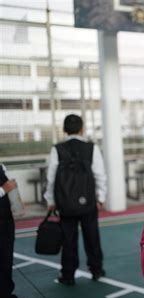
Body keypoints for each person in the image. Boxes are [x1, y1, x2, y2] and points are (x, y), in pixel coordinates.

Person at [44, 114, 107, 285]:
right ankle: (96, 270)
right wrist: (100, 196)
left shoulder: (57, 149)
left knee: (68, 238)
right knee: (92, 236)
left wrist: (50, 200)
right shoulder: (91, 148)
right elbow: (99, 174)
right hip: (88, 201)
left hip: (65, 202)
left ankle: (68, 274)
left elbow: (51, 177)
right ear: (82, 129)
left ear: (64, 130)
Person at [0, 164, 32, 298]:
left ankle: (6, 297)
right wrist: (4, 189)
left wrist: (16, 201)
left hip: (4, 220)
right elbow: (5, 187)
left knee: (5, 260)